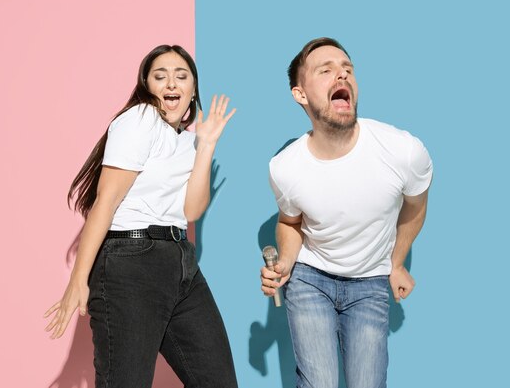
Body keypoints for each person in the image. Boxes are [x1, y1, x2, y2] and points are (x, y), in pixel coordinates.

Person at [44, 44, 238, 388]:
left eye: (181, 76)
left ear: (193, 89)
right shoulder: (140, 120)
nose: (171, 84)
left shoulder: (189, 141)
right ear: (146, 86)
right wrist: (78, 279)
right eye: (159, 76)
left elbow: (191, 210)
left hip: (181, 263)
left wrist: (206, 145)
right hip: (131, 263)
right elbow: (106, 200)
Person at [260, 37, 433, 388]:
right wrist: (284, 267)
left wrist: (396, 262)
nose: (342, 75)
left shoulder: (403, 150)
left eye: (347, 69)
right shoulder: (285, 167)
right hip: (310, 280)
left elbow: (416, 205)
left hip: (370, 282)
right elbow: (290, 221)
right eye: (326, 70)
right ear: (301, 94)